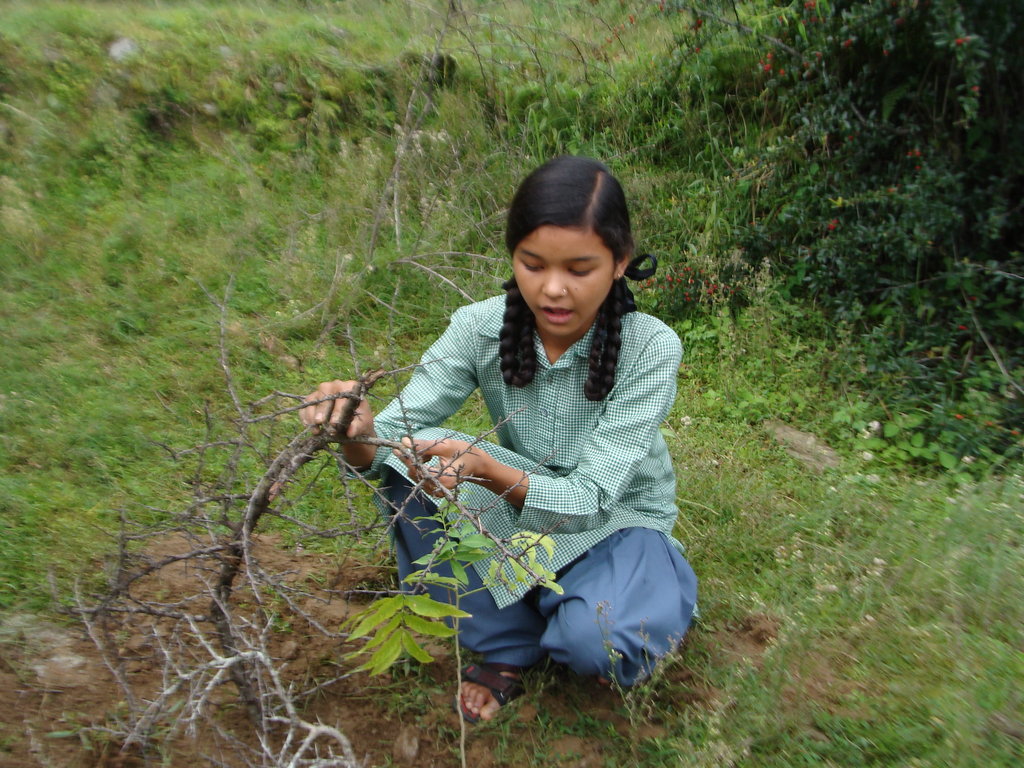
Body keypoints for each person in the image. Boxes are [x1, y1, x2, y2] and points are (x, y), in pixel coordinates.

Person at [301, 156, 697, 722]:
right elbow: (390, 439)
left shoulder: (650, 348)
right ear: (513, 258)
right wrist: (356, 430)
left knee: (598, 643)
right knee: (412, 454)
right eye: (532, 265)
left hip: (616, 522)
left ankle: (644, 591)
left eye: (579, 269)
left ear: (620, 263)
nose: (553, 290)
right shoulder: (479, 327)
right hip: (513, 507)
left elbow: (590, 500)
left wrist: (485, 469)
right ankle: (510, 640)